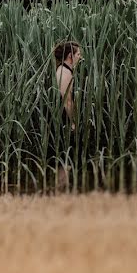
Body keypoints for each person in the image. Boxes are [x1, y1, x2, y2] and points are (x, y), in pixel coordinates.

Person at [52, 40, 82, 192]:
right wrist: (73, 122)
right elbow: (67, 101)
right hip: (63, 121)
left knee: (65, 157)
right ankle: (62, 188)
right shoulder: (64, 73)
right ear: (70, 56)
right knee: (65, 156)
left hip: (62, 121)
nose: (80, 57)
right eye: (78, 54)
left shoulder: (63, 71)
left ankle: (63, 188)